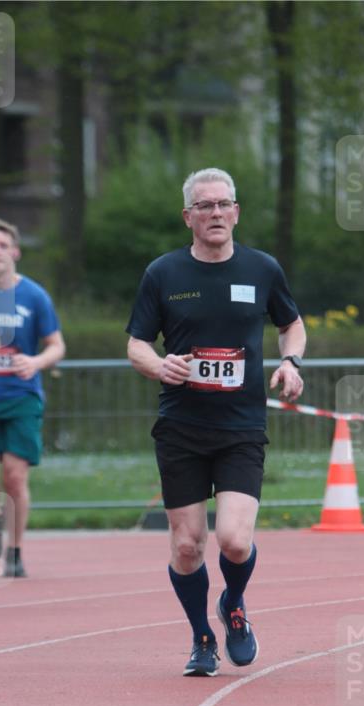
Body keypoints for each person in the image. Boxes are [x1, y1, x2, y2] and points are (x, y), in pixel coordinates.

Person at [127, 167, 306, 677]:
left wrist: (291, 363)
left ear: (236, 212)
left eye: (223, 204)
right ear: (188, 217)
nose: (215, 213)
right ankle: (201, 637)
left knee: (234, 540)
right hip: (181, 426)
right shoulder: (163, 274)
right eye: (204, 206)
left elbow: (292, 325)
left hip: (241, 427)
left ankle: (234, 603)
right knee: (187, 545)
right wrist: (159, 365)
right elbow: (136, 342)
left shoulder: (262, 269)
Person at [0, 218, 65, 578]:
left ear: (15, 252)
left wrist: (34, 361)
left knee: (15, 477)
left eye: (3, 245)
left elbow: (56, 345)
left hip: (21, 396)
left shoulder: (34, 296)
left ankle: (15, 551)